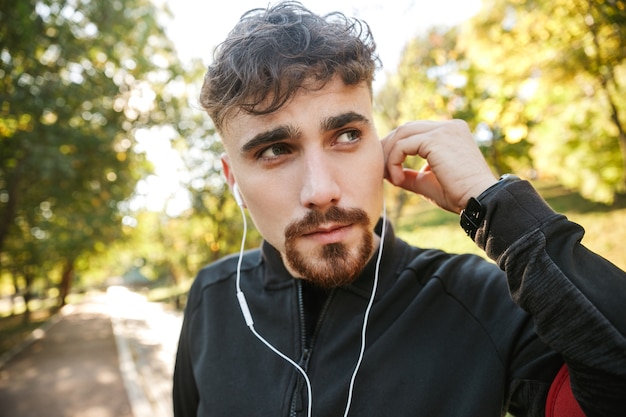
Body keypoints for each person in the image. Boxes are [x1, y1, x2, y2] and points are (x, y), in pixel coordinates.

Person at [172, 2, 626, 416]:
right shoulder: (211, 299)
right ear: (233, 179)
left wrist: (499, 208)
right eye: (275, 150)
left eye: (346, 136)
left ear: (380, 145)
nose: (322, 190)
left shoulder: (483, 303)